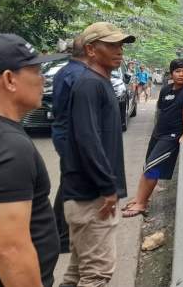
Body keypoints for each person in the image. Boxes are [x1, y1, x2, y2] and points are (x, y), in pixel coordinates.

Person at [0, 34, 66, 287]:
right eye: (35, 71)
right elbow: (10, 251)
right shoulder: (8, 148)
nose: (43, 79)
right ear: (9, 79)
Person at [60, 22, 134, 287]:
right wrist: (107, 186)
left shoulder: (99, 83)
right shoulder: (89, 85)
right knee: (97, 274)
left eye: (121, 45)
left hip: (90, 195)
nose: (120, 50)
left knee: (78, 273)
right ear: (91, 49)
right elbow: (87, 140)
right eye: (112, 45)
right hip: (92, 197)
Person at [122, 59, 183, 217]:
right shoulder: (165, 90)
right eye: (178, 71)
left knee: (153, 169)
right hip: (158, 134)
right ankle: (138, 198)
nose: (181, 74)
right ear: (171, 73)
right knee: (148, 166)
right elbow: (162, 112)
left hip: (172, 136)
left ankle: (142, 204)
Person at [51, 35, 89, 254]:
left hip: (63, 131)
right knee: (72, 181)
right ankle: (63, 235)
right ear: (90, 50)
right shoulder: (79, 75)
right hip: (70, 134)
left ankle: (60, 230)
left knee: (69, 179)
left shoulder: (65, 71)